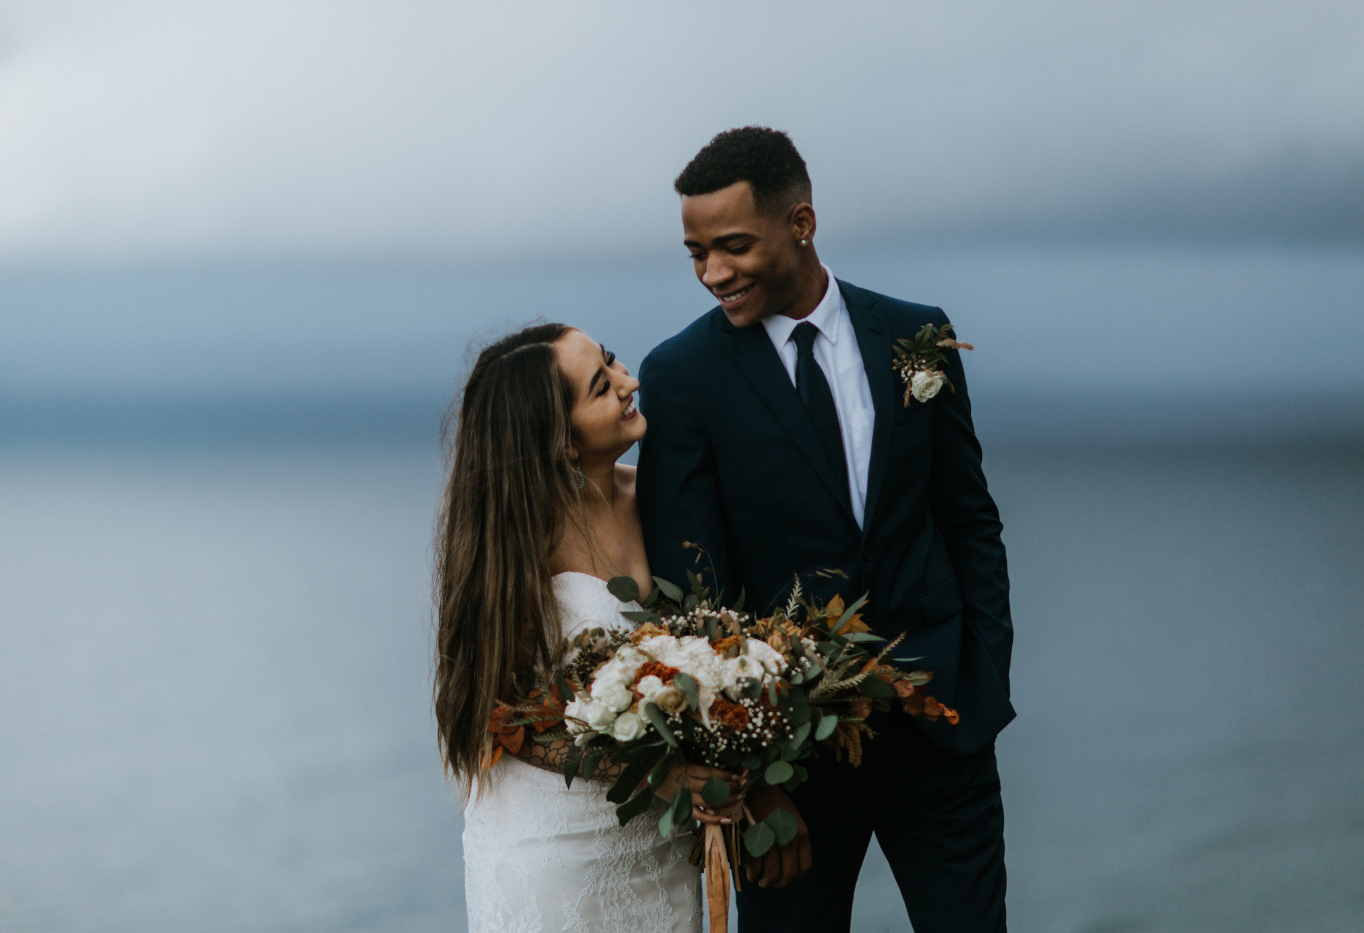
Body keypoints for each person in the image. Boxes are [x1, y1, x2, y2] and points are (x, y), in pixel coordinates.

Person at [637, 127, 1015, 932]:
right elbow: (696, 597)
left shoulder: (918, 334)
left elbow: (969, 518)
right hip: (788, 777)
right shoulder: (682, 377)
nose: (713, 273)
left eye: (733, 246)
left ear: (801, 224)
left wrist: (983, 675)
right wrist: (753, 776)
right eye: (696, 253)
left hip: (942, 734)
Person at [434, 323, 739, 933]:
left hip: (660, 840)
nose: (631, 383)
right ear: (562, 441)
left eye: (613, 361)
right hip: (555, 850)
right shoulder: (517, 544)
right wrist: (661, 773)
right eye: (602, 387)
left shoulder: (661, 500)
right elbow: (504, 720)